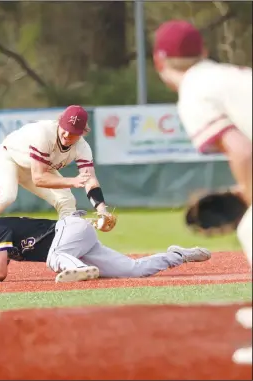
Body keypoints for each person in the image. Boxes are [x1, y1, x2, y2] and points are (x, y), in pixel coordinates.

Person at [152, 20, 252, 365]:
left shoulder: (194, 89)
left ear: (159, 63)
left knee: (251, 227)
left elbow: (242, 151)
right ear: (204, 52)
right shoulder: (224, 75)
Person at [0, 105, 116, 283]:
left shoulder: (82, 147)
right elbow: (39, 179)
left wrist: (102, 210)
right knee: (5, 196)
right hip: (8, 158)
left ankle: (66, 253)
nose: (67, 136)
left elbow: (90, 180)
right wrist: (72, 181)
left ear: (82, 132)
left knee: (66, 200)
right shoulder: (44, 134)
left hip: (35, 168)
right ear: (59, 123)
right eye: (65, 130)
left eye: (73, 133)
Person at [0, 211, 211, 284]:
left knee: (55, 259)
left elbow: (0, 272)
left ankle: (82, 271)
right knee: (134, 270)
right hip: (75, 244)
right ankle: (177, 255)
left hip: (70, 231)